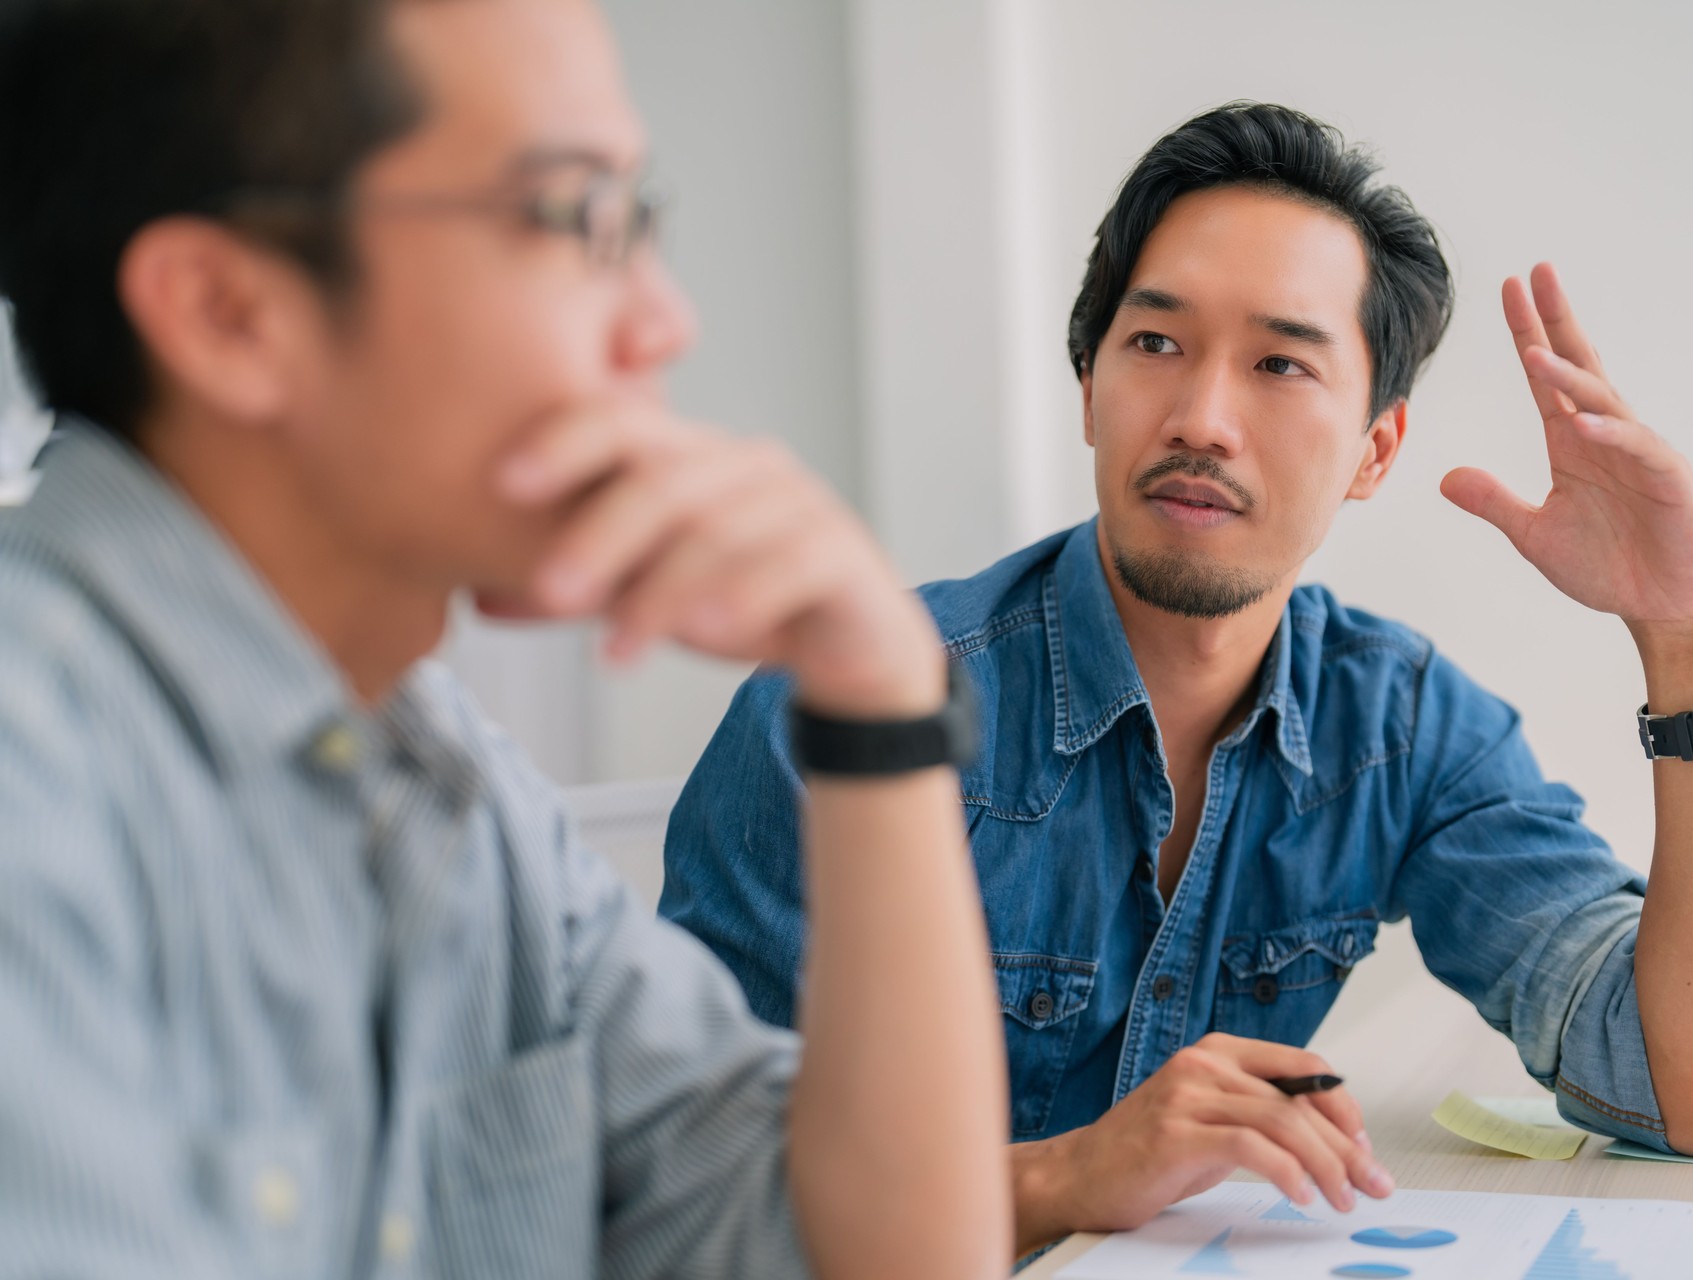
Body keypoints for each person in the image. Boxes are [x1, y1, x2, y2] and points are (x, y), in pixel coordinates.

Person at [662, 101, 1693, 1259]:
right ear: (1089, 388)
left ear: (1374, 450)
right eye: (1156, 344)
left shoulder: (1399, 728)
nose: (1203, 419)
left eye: (1279, 363)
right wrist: (1071, 1174)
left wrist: (1692, 636)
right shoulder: (850, 714)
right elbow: (689, 1185)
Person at [0, 1, 1010, 1276]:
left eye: (640, 219)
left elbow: (875, 1256)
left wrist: (881, 708)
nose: (664, 324)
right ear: (227, 312)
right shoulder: (36, 789)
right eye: (575, 216)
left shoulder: (451, 786)